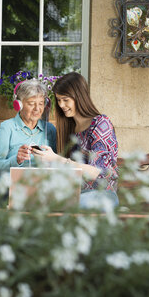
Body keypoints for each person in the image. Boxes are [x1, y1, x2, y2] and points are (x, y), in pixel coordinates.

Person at [32, 72, 119, 209]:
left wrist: (56, 159)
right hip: (77, 193)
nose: (61, 105)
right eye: (59, 100)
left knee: (54, 205)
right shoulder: (71, 128)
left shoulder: (101, 124)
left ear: (79, 97)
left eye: (66, 100)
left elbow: (97, 172)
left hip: (102, 195)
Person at [0, 79, 57, 183]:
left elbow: (56, 166)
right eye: (31, 103)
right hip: (8, 188)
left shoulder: (50, 130)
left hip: (37, 188)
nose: (37, 109)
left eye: (41, 103)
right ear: (19, 105)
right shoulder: (7, 128)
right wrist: (16, 160)